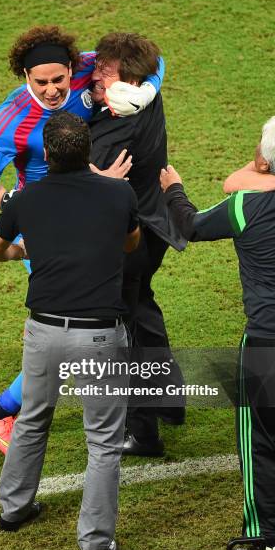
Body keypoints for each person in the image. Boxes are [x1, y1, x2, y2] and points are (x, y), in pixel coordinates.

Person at [0, 25, 164, 453]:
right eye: (39, 82)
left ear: (71, 68)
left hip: (91, 216)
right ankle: (0, 411)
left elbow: (152, 59)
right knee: (78, 328)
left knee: (90, 326)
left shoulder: (90, 68)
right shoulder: (9, 120)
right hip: (45, 228)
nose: (50, 90)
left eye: (58, 80)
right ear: (25, 78)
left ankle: (127, 410)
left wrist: (148, 90)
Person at [0, 111, 140, 550]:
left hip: (44, 330)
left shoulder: (27, 199)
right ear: (88, 153)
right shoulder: (119, 193)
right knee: (103, 443)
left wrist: (29, 250)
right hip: (100, 335)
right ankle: (95, 544)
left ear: (47, 155)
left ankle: (13, 509)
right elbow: (131, 243)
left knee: (32, 420)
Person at [160, 113, 275, 550]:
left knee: (261, 446)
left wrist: (173, 189)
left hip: (269, 348)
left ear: (264, 160)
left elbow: (190, 227)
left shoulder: (244, 206)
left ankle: (273, 545)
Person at [89, 32, 187, 456]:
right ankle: (171, 399)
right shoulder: (147, 93)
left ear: (127, 79)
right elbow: (158, 65)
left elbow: (81, 186)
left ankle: (142, 430)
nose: (95, 76)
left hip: (127, 237)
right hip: (157, 223)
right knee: (142, 306)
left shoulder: (112, 135)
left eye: (104, 72)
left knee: (123, 331)